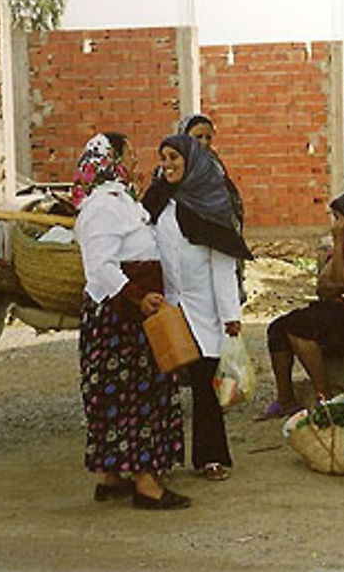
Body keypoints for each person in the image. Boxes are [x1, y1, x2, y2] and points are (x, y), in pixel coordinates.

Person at [72, 132, 190, 510]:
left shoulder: (121, 202)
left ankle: (111, 477)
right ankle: (146, 484)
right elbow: (100, 265)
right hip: (121, 319)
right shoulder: (103, 207)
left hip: (129, 313)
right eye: (130, 154)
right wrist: (138, 297)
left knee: (117, 396)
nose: (137, 163)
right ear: (112, 160)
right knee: (138, 396)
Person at [142, 134, 253, 481]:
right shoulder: (157, 201)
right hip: (168, 309)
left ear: (191, 161)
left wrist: (230, 317)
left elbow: (222, 267)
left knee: (206, 389)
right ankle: (156, 461)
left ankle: (211, 457)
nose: (168, 165)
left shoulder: (210, 203)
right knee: (160, 388)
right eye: (163, 158)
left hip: (204, 311)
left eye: (174, 157)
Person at [255, 191, 344, 420]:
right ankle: (285, 400)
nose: (334, 224)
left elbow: (339, 281)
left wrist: (339, 244)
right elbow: (323, 287)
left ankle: (326, 399)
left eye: (336, 217)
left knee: (300, 328)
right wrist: (339, 278)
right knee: (279, 328)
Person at [179, 113, 248, 304]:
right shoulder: (174, 166)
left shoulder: (215, 165)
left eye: (208, 137)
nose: (204, 142)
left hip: (218, 239)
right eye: (198, 137)